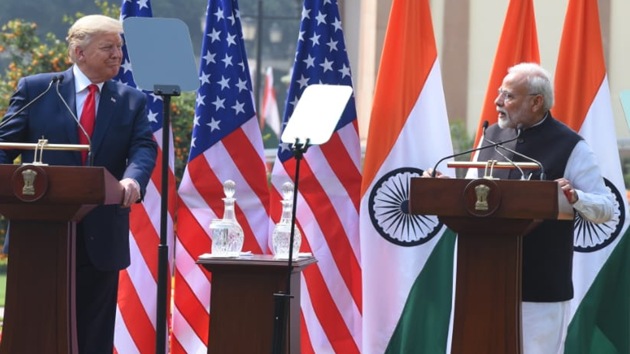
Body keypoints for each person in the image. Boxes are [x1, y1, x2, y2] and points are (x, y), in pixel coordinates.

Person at [427, 62, 614, 354]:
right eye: (500, 94)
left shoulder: (570, 145)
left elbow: (607, 208)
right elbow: (472, 197)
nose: (497, 101)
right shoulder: (490, 137)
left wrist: (575, 197)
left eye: (508, 95)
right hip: (482, 283)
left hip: (539, 288)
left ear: (536, 101)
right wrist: (443, 187)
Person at [0, 15, 157, 353]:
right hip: (39, 234)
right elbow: (4, 146)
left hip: (101, 234)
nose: (117, 54)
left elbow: (143, 147)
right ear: (78, 52)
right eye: (108, 47)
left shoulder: (131, 100)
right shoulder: (36, 89)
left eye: (119, 47)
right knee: (35, 328)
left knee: (94, 334)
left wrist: (133, 179)